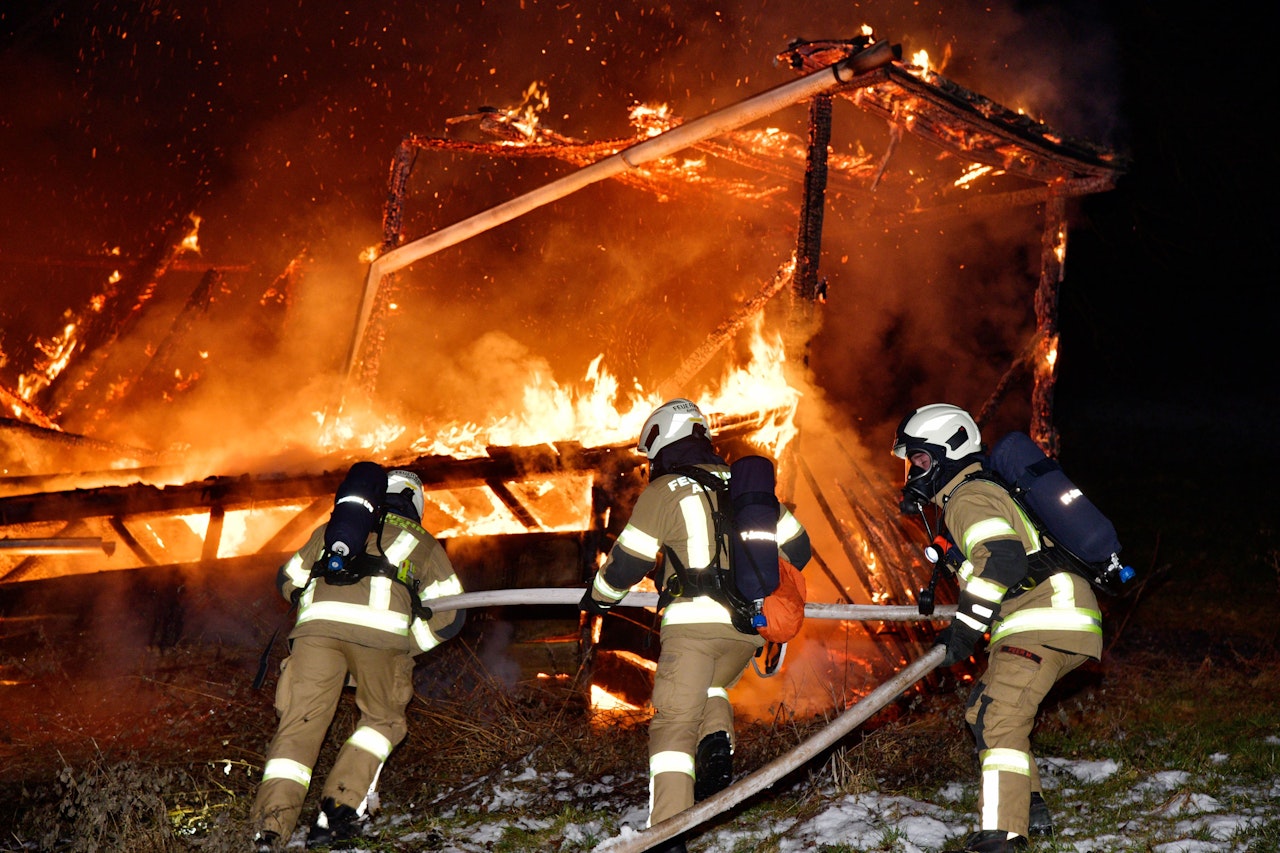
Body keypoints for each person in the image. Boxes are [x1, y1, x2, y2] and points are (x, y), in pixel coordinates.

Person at [579, 398, 811, 853]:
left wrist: (599, 597)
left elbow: (627, 563)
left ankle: (667, 836)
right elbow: (799, 550)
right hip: (746, 631)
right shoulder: (747, 489)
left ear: (662, 441)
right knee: (709, 686)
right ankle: (717, 742)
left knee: (672, 726)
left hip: (692, 630)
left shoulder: (664, 490)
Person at [892, 404, 1103, 853]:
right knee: (983, 712)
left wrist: (964, 631)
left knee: (1001, 717)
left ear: (950, 450)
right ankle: (1030, 807)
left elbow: (1002, 561)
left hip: (1044, 617)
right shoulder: (974, 493)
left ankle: (1003, 834)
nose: (914, 472)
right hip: (1050, 616)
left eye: (921, 459)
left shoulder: (967, 498)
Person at [250, 467, 466, 851]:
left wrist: (318, 606)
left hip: (315, 636)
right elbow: (452, 616)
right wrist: (406, 644)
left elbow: (287, 579)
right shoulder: (423, 542)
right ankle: (337, 813)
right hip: (380, 639)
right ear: (416, 505)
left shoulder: (331, 531)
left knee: (299, 727)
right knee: (383, 720)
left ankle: (269, 829)